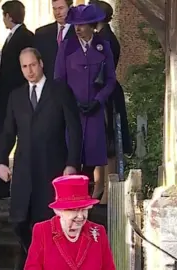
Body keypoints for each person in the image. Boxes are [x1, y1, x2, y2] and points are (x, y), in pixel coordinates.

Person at [0, 47, 82, 269]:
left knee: (48, 220)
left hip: (53, 167)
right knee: (19, 221)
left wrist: (72, 164)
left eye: (32, 65)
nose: (29, 70)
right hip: (24, 168)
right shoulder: (16, 96)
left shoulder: (60, 91)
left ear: (41, 63)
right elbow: (7, 132)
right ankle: (35, 256)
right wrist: (1, 161)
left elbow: (74, 129)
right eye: (25, 66)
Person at [54, 4, 117, 200]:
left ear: (91, 25)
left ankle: (85, 195)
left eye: (82, 24)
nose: (78, 28)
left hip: (95, 110)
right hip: (72, 110)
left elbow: (110, 80)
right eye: (75, 25)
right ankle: (70, 196)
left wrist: (99, 101)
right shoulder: (67, 46)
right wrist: (70, 102)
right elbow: (59, 78)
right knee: (72, 153)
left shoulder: (103, 46)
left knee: (91, 155)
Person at [0, 0, 35, 200]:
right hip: (5, 98)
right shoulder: (12, 37)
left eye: (3, 16)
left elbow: (16, 73)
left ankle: (19, 184)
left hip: (17, 99)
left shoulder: (26, 37)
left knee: (21, 140)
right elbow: (3, 71)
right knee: (3, 140)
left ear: (9, 16)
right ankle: (3, 184)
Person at [24, 175, 115, 270]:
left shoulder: (99, 232)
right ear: (59, 211)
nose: (80, 216)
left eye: (84, 210)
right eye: (74, 210)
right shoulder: (43, 230)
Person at [95, 0, 132, 180]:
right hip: (104, 90)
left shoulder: (105, 39)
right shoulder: (102, 37)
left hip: (106, 91)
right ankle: (101, 184)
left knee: (108, 139)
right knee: (100, 139)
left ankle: (109, 186)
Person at [34, 0, 76, 79]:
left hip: (73, 85)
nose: (57, 12)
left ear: (70, 8)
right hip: (48, 86)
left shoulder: (79, 32)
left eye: (61, 8)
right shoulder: (41, 33)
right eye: (54, 9)